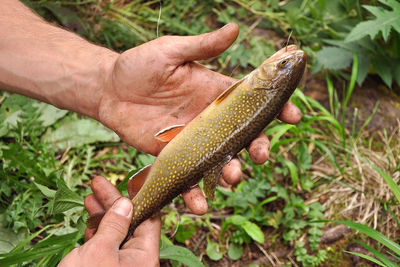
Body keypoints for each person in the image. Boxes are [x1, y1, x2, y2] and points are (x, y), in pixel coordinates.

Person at [1, 0, 302, 266]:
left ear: (270, 83)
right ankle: (123, 225)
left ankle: (123, 226)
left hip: (179, 164)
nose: (283, 58)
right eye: (286, 64)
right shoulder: (252, 93)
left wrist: (105, 82)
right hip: (188, 159)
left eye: (284, 65)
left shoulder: (253, 90)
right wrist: (106, 82)